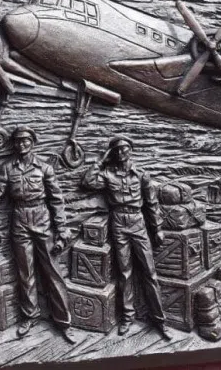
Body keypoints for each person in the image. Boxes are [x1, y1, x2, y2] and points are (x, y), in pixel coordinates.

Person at [0, 126, 77, 343]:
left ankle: (64, 322)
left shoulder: (45, 168)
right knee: (25, 272)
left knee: (52, 271)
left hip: (41, 217)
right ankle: (29, 316)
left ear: (33, 143)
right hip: (19, 219)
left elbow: (56, 200)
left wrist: (61, 228)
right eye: (18, 141)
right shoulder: (7, 168)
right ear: (14, 144)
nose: (22, 144)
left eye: (26, 141)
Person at [81, 136, 173, 341]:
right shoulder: (107, 174)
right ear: (113, 153)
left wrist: (157, 228)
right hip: (118, 222)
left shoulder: (141, 175)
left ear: (131, 150)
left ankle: (160, 320)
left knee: (149, 272)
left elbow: (152, 204)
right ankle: (128, 317)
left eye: (125, 149)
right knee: (124, 272)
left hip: (137, 221)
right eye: (117, 150)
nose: (122, 153)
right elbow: (87, 182)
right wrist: (100, 161)